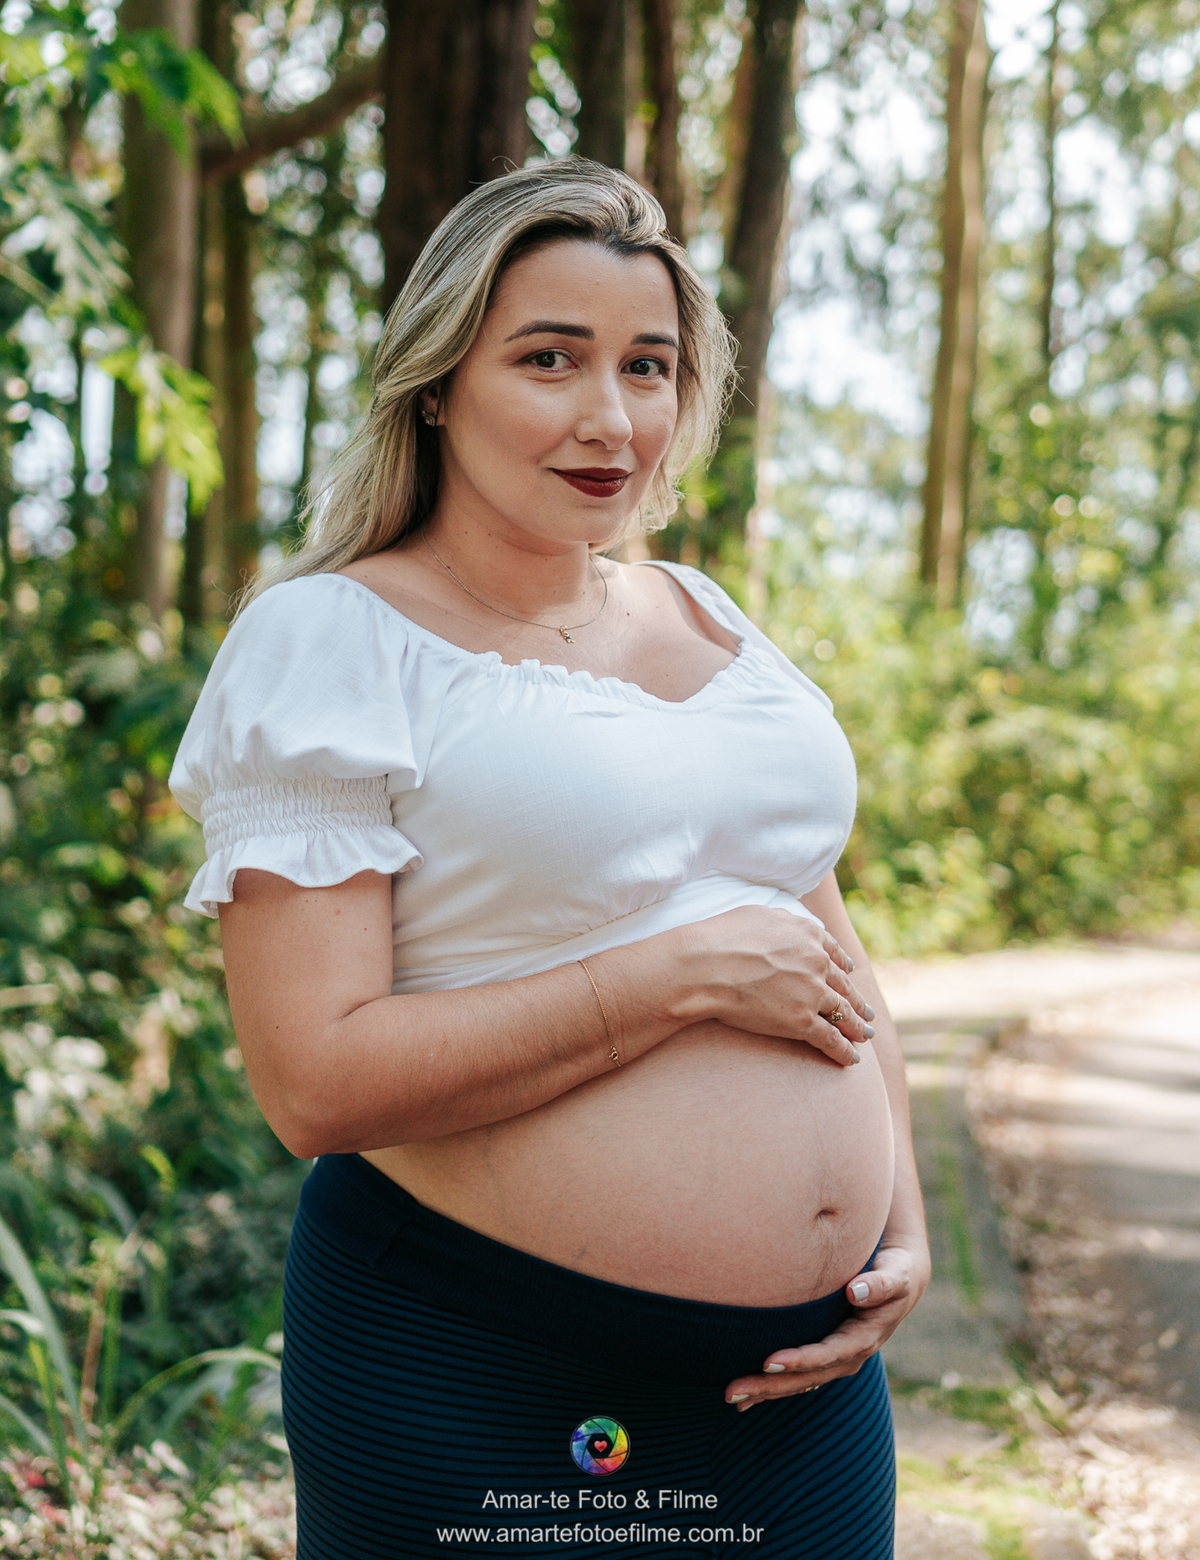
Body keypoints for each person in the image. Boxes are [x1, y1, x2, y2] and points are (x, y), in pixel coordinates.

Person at [170, 159, 930, 1560]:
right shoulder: (331, 643)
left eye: (649, 367)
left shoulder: (706, 611)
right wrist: (668, 983)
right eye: (549, 359)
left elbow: (819, 936)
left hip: (806, 1394)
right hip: (482, 1353)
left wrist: (902, 1221)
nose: (611, 418)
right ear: (440, 381)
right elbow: (314, 1082)